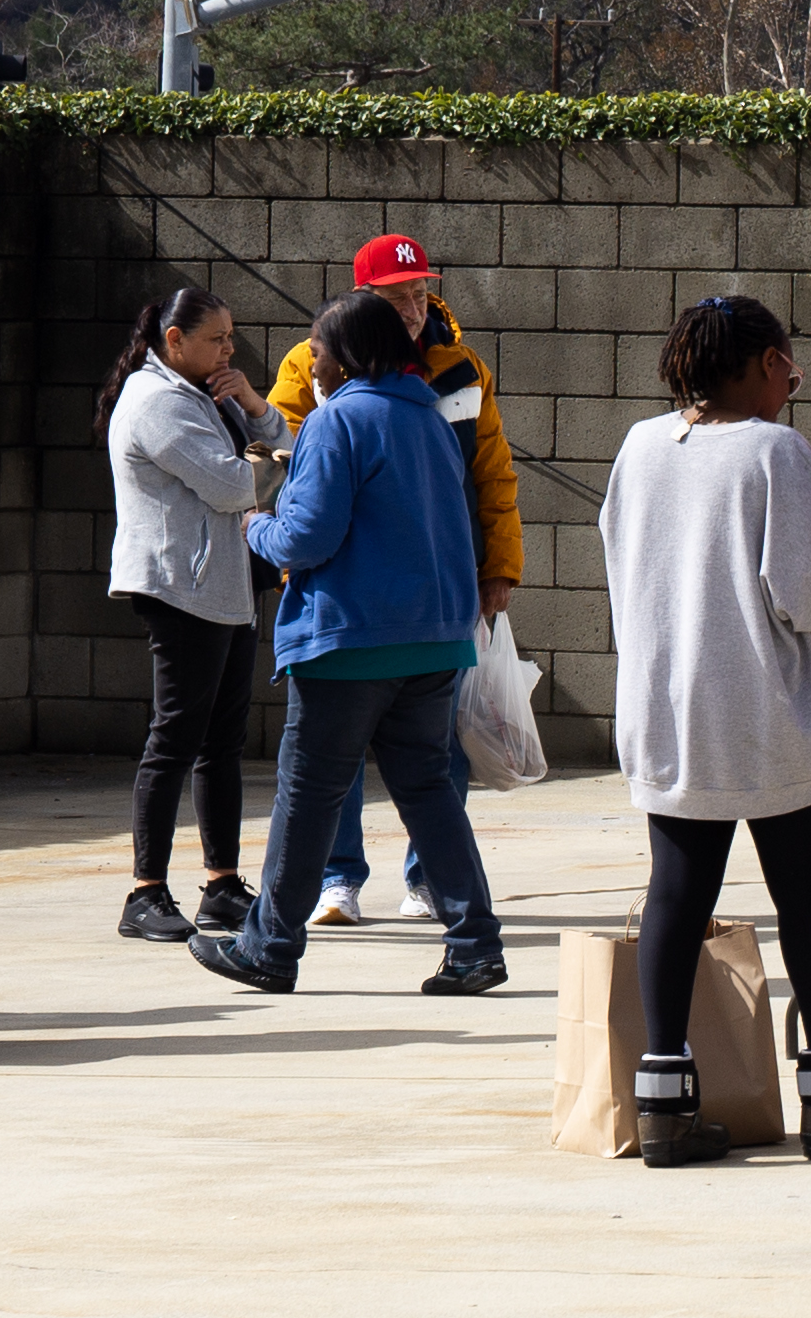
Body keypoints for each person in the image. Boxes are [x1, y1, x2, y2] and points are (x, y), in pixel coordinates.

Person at [597, 293, 811, 1165]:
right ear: (756, 365)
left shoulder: (641, 445)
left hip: (666, 705)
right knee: (805, 901)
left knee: (676, 894)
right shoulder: (777, 453)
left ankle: (663, 1104)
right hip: (764, 708)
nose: (790, 380)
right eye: (785, 365)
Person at [194, 296, 508, 999]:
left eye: (321, 351)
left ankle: (269, 947)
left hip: (350, 640)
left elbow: (306, 537)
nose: (314, 364)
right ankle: (473, 945)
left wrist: (254, 526)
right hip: (433, 641)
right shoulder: (428, 413)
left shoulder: (339, 419)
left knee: (308, 794)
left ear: (349, 356)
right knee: (429, 795)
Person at [263, 233, 520, 926]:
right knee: (410, 775)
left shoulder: (456, 371)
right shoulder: (313, 367)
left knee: (385, 764)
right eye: (396, 297)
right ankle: (347, 885)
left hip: (392, 607)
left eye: (419, 293)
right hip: (398, 604)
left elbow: (490, 474)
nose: (412, 308)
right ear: (362, 302)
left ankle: (416, 889)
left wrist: (499, 567)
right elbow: (287, 457)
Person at [100, 285, 279, 942]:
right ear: (174, 342)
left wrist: (256, 408)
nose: (229, 349)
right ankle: (144, 893)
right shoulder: (156, 402)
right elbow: (236, 487)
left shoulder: (208, 396)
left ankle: (222, 884)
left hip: (225, 587)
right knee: (175, 737)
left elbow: (280, 448)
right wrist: (268, 462)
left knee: (222, 744)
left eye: (231, 337)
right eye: (216, 339)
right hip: (181, 587)